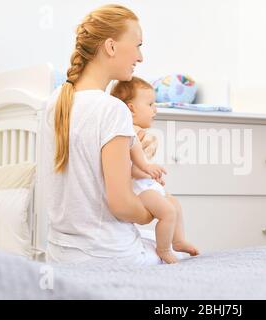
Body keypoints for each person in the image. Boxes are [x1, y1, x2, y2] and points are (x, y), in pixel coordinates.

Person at [42, 4, 180, 265]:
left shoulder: (55, 101)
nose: (140, 57)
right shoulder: (112, 108)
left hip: (61, 256)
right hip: (110, 255)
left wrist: (133, 159)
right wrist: (157, 210)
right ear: (111, 47)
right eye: (138, 45)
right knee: (177, 251)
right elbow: (122, 205)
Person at [111, 77, 199, 263]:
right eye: (150, 104)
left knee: (173, 203)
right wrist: (148, 170)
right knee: (168, 212)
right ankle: (164, 249)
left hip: (146, 184)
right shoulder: (127, 131)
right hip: (136, 190)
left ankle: (178, 240)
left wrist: (151, 174)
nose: (155, 110)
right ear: (131, 108)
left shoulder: (137, 131)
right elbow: (127, 169)